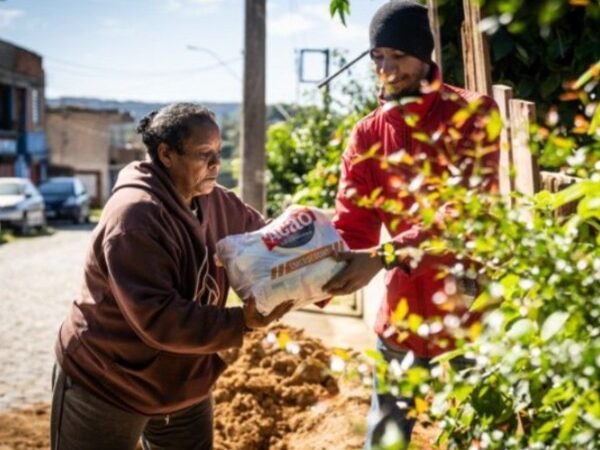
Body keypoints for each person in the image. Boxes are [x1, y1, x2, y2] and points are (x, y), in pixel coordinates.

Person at [50, 103, 293, 450]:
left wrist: (317, 259)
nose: (216, 165)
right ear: (166, 153)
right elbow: (159, 318)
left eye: (219, 153)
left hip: (181, 382)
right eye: (203, 154)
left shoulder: (215, 200)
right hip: (107, 380)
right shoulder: (135, 218)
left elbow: (266, 240)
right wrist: (243, 321)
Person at [322, 1, 500, 448]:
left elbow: (465, 209)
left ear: (425, 55)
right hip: (401, 316)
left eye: (397, 56)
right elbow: (353, 226)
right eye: (378, 57)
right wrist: (302, 281)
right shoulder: (367, 134)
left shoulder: (472, 113)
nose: (386, 68)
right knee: (385, 439)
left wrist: (385, 255)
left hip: (467, 314)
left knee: (479, 436)